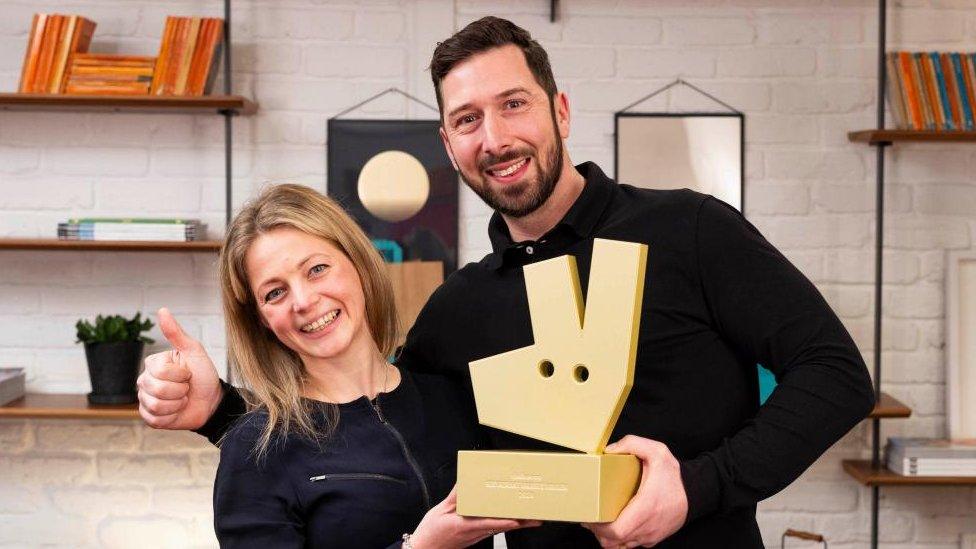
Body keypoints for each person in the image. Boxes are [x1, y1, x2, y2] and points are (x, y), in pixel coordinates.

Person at [138, 17, 876, 548]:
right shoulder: (460, 310)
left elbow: (838, 375)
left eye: (513, 104)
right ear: (449, 145)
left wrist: (696, 486)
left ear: (559, 109)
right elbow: (367, 423)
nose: (494, 138)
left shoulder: (690, 230)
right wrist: (219, 413)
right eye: (467, 119)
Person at [163, 183, 537, 547]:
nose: (304, 301)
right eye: (275, 292)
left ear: (357, 261)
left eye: (317, 269)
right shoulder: (255, 447)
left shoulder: (449, 398)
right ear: (261, 319)